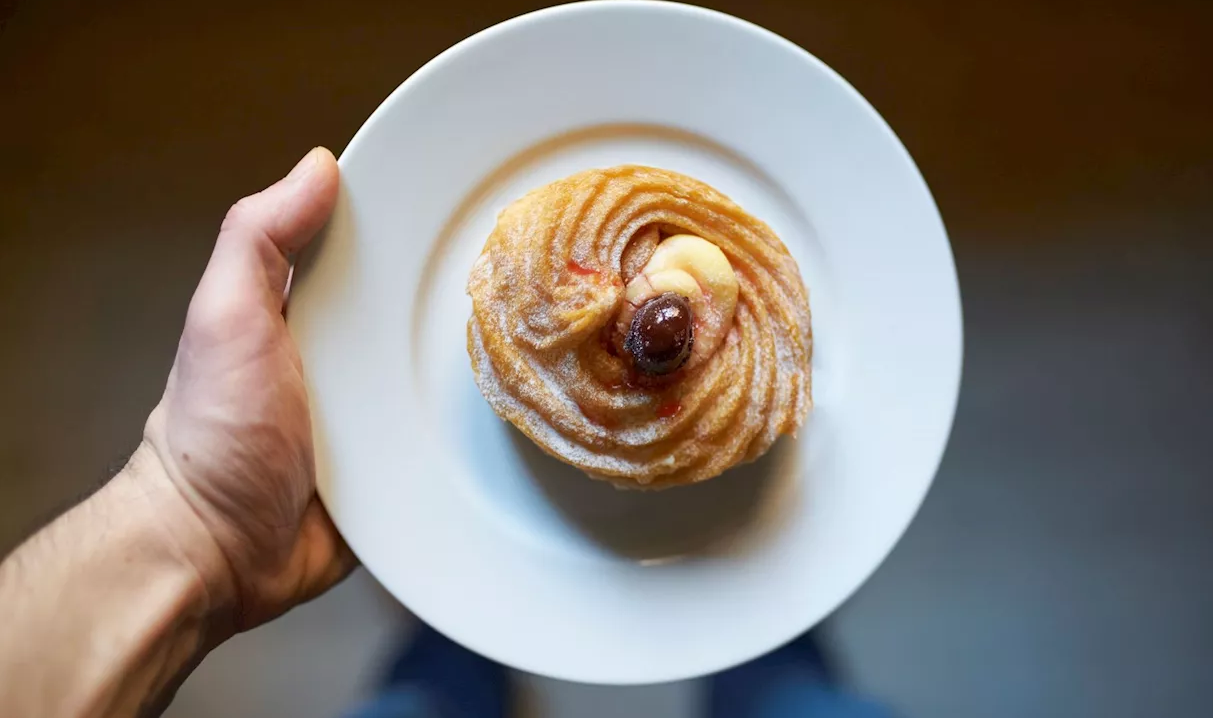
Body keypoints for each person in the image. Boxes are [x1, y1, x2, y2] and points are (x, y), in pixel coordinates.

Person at [0, 150, 892, 718]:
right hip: (614, 422)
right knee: (798, 695)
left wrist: (187, 512)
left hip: (685, 424)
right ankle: (771, 660)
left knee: (428, 697)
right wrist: (190, 514)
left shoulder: (730, 346)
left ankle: (454, 657)